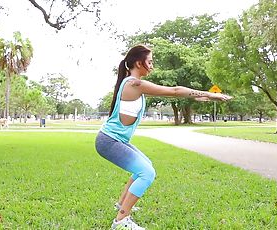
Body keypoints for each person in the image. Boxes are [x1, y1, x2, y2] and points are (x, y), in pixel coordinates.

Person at [95, 45, 232, 230]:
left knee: (145, 168)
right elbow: (174, 91)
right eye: (149, 62)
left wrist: (201, 97)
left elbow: (175, 94)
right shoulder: (133, 84)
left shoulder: (133, 83)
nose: (152, 66)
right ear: (138, 62)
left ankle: (122, 206)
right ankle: (120, 222)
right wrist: (209, 94)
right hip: (109, 141)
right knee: (147, 173)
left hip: (115, 140)